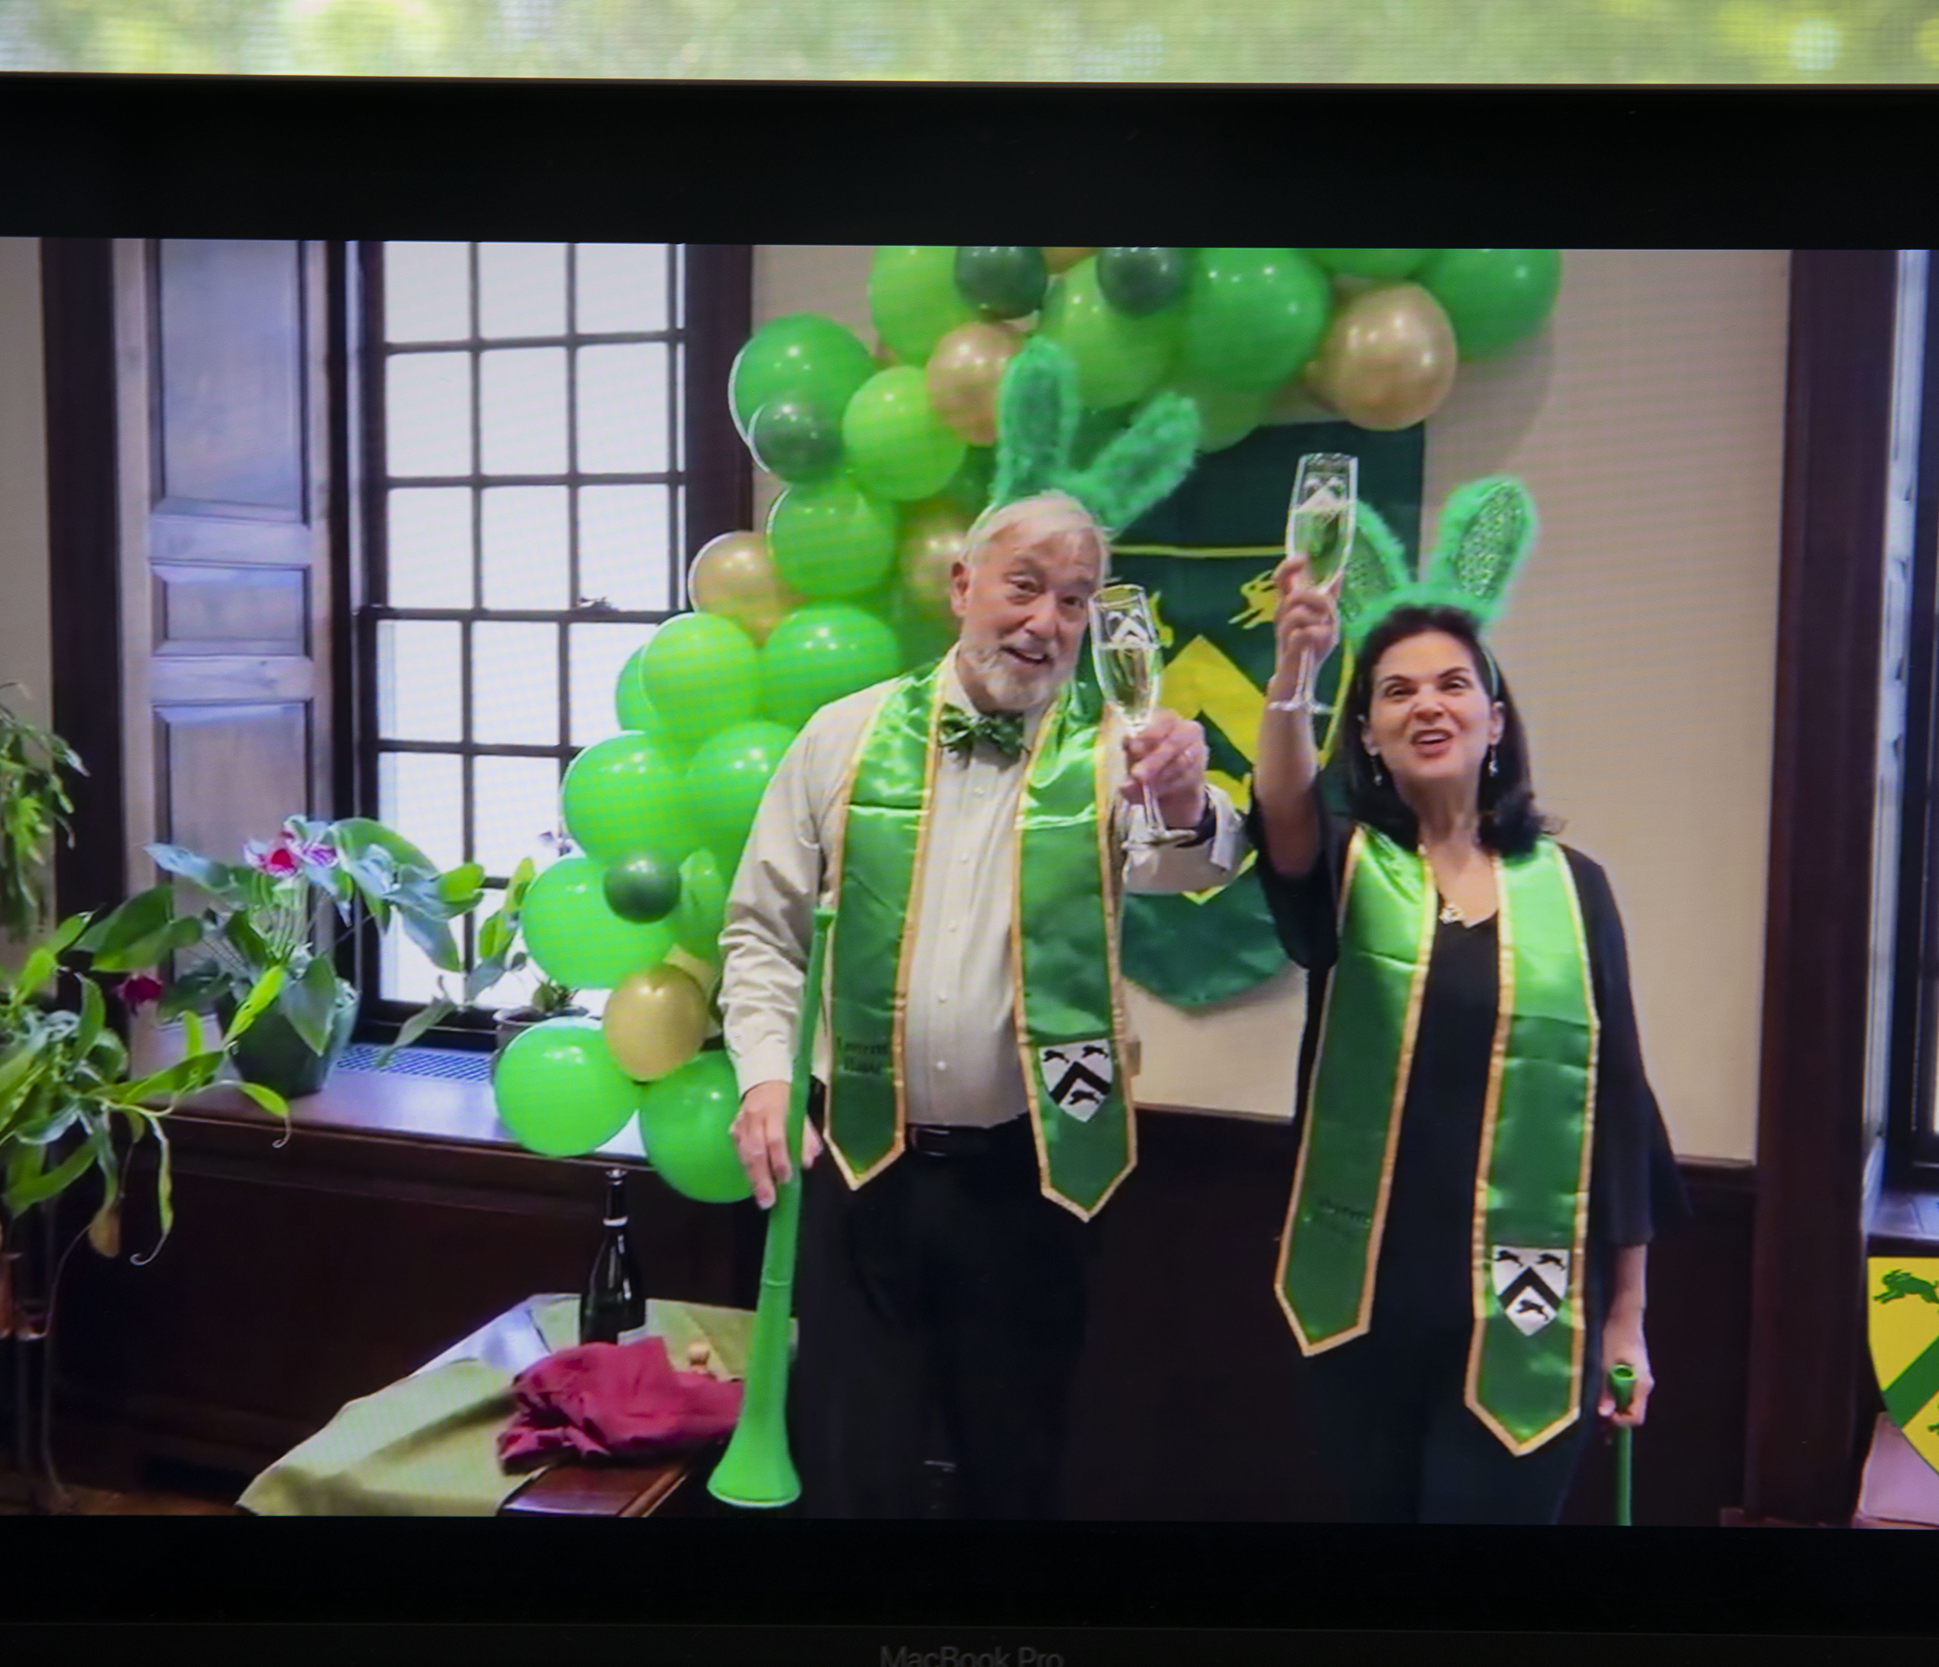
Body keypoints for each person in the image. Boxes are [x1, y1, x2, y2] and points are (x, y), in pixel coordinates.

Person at [717, 485, 1245, 1520]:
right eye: (1024, 586)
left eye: (1075, 599)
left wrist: (1185, 797)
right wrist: (766, 1074)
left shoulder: (1108, 759)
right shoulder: (843, 735)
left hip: (1030, 1178)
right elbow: (759, 927)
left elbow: (1193, 861)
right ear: (964, 585)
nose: (1045, 621)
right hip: (860, 1167)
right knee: (849, 1468)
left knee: (1016, 1469)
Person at [1247, 495, 1688, 1526]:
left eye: (1454, 684)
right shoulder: (1352, 866)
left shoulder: (1574, 888)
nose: (1426, 704)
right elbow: (1281, 810)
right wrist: (1290, 680)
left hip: (1528, 1309)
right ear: (1369, 732)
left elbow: (1618, 1111)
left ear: (1495, 719)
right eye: (1396, 691)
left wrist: (1625, 1319)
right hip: (1363, 1304)